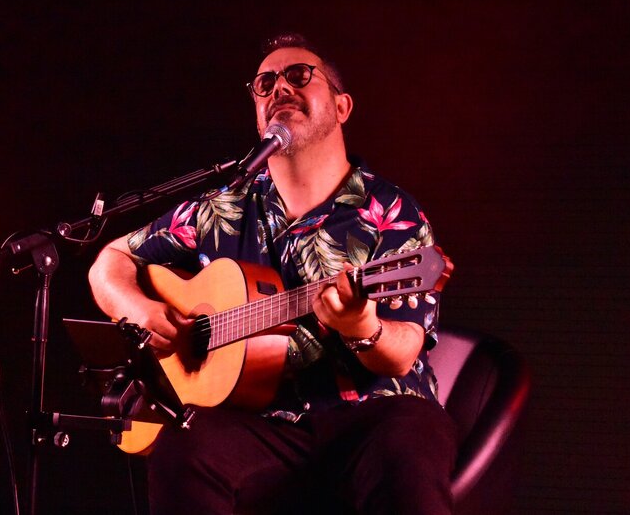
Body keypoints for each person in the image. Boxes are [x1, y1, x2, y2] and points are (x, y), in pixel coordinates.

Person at [88, 33, 457, 514]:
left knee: (406, 447)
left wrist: (362, 327)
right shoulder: (220, 209)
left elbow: (404, 351)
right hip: (259, 423)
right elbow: (110, 261)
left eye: (299, 75)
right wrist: (140, 311)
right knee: (182, 449)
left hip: (375, 417)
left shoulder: (391, 212)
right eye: (265, 83)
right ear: (259, 114)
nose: (280, 87)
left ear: (342, 107)